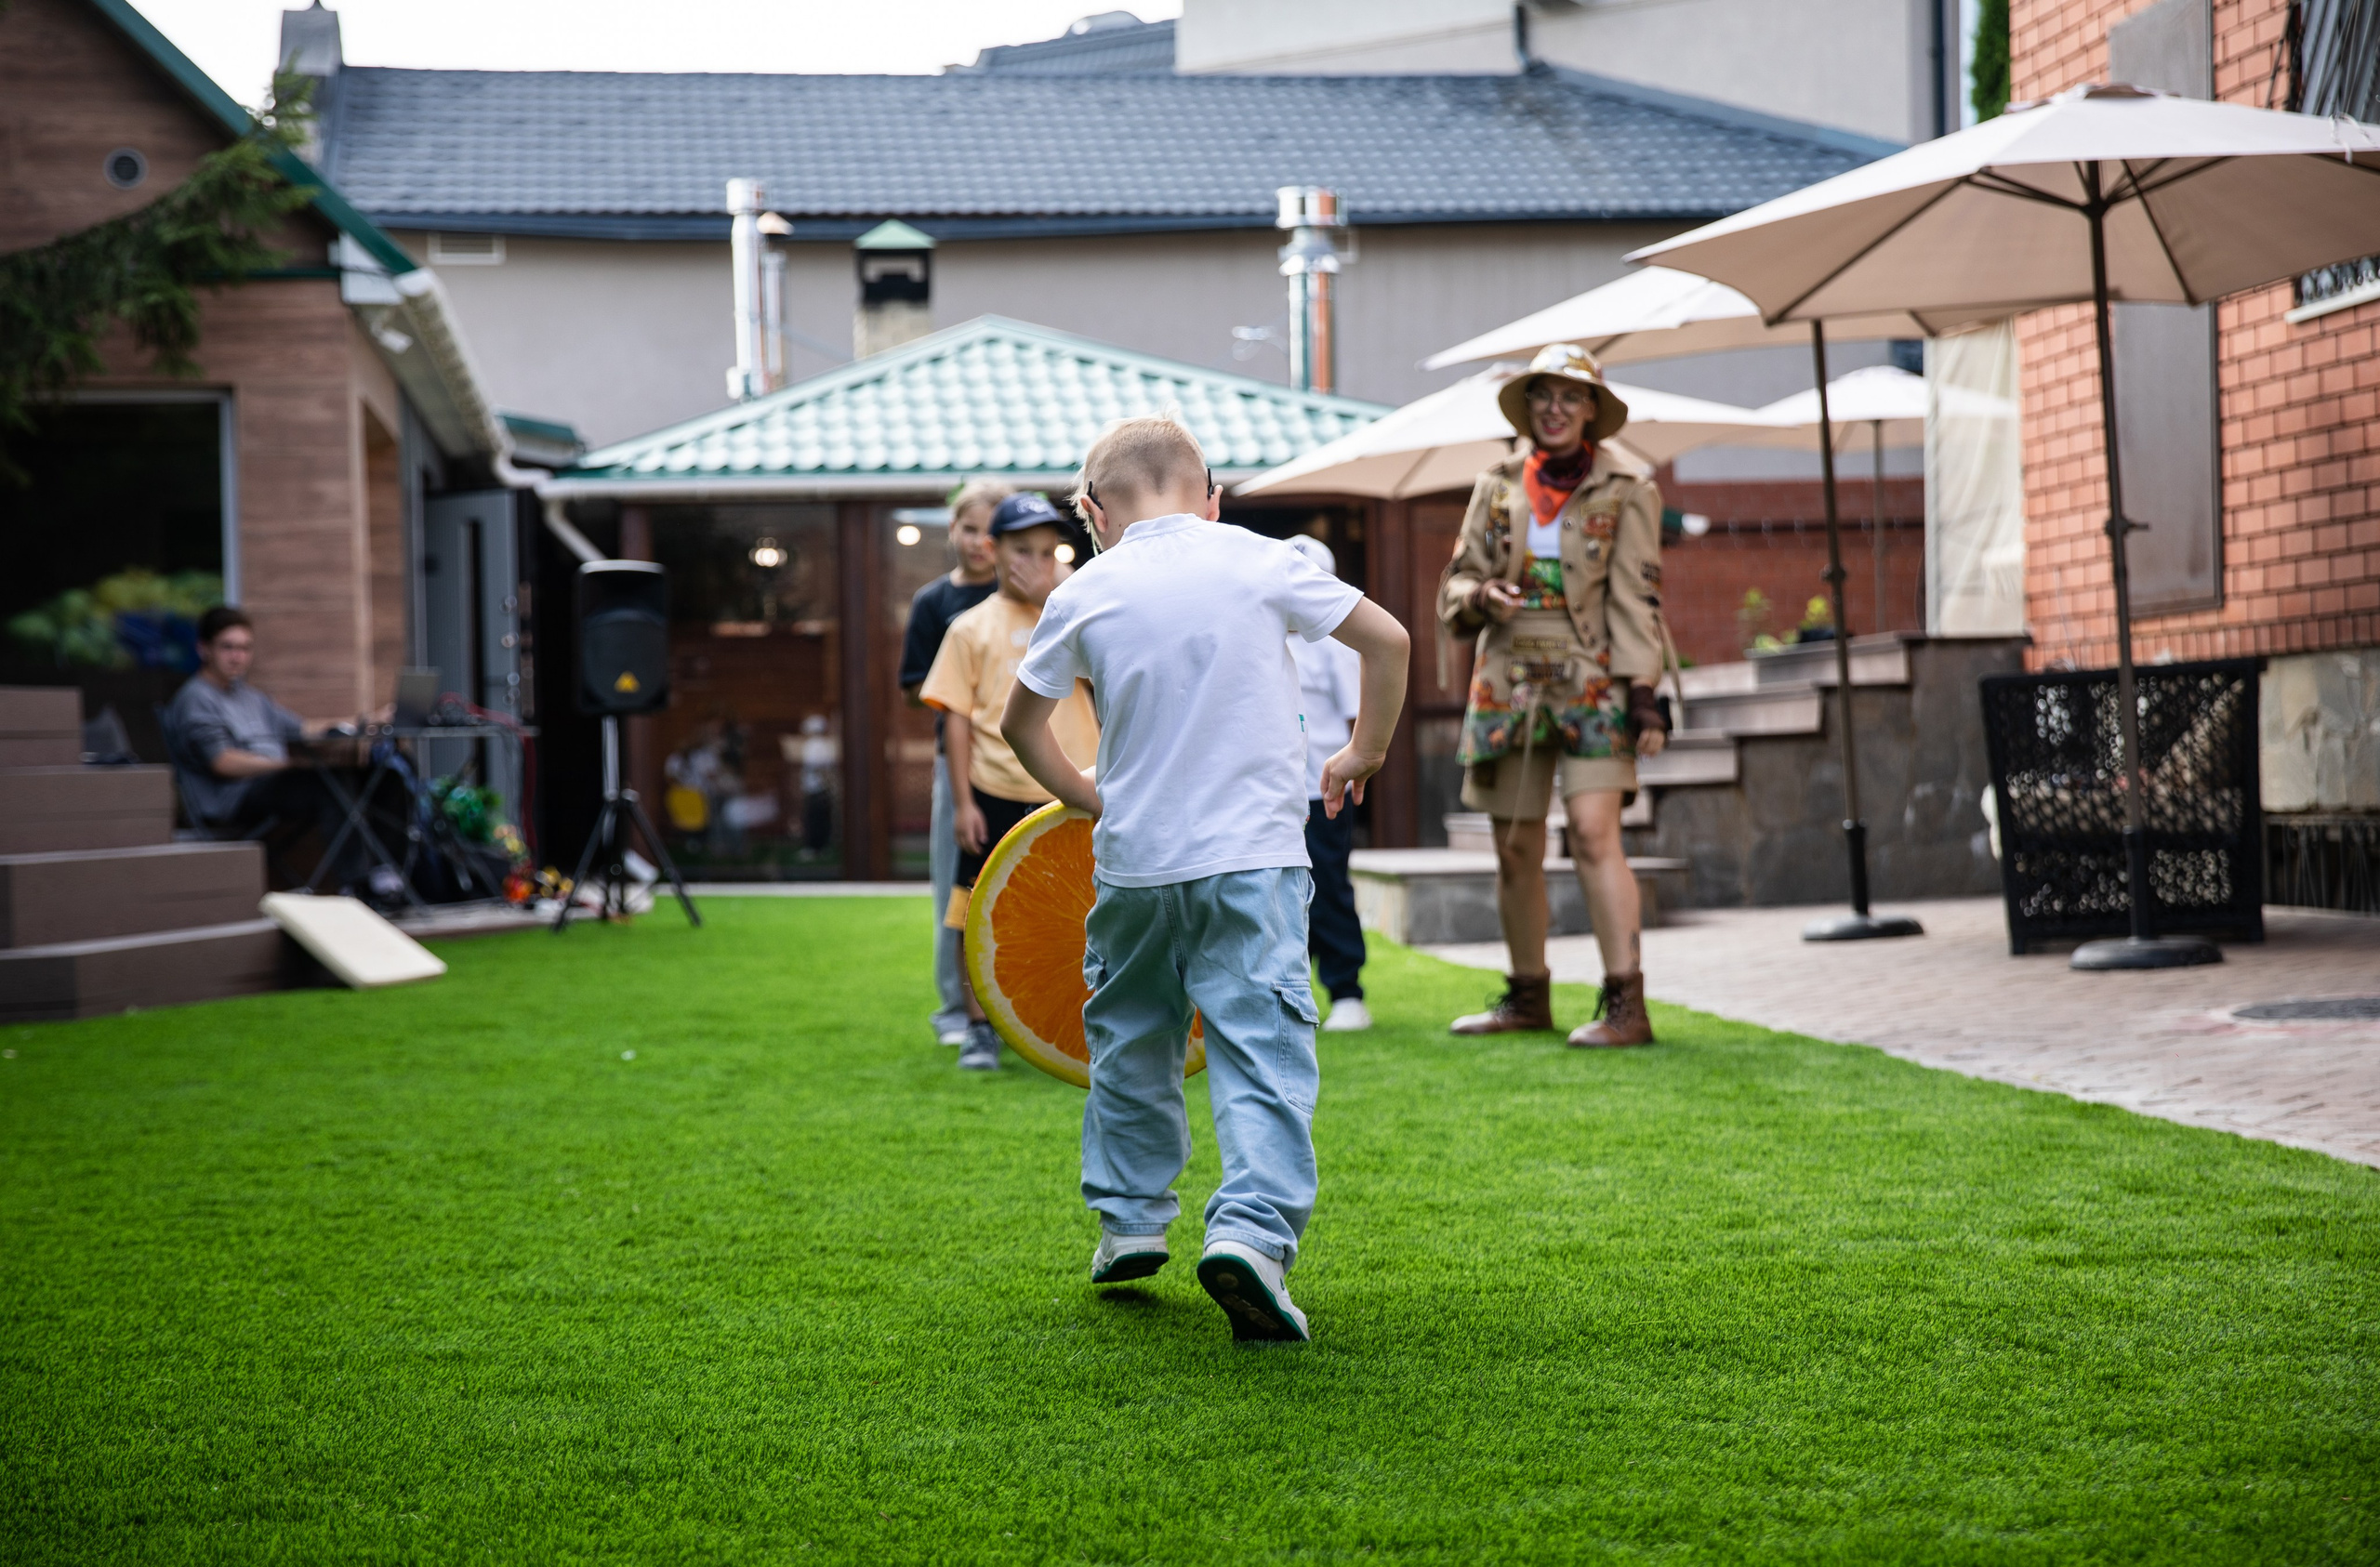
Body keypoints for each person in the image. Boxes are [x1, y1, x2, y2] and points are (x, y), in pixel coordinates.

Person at [1002, 415, 1409, 1343]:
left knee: (1130, 1037)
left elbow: (1021, 726)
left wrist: (1086, 797)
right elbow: (1386, 641)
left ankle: (1130, 1222)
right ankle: (1252, 1235)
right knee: (1261, 1047)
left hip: (1135, 867)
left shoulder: (1084, 589)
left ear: (1092, 512)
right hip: (1254, 861)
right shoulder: (1262, 561)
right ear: (1213, 500)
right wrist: (1363, 751)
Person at [1435, 343, 1670, 1048]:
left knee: (1596, 834)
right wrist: (1481, 595)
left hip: (1593, 675)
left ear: (1592, 409)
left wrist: (1644, 693)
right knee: (1514, 844)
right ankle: (1527, 996)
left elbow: (1637, 598)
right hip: (1506, 676)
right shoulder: (1495, 485)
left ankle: (1626, 1005)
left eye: (1571, 396)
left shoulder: (1628, 488)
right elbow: (1454, 584)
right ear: (1529, 407)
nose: (1555, 409)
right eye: (1543, 395)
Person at [920, 492, 1101, 1073]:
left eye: (1049, 553)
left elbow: (1107, 683)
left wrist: (1056, 601)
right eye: (1023, 551)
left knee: (1087, 906)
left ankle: (1085, 1022)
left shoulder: (1075, 617)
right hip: (995, 790)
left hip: (1075, 787)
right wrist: (963, 803)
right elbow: (955, 719)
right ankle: (978, 1027)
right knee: (971, 910)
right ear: (992, 550)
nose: (1036, 564)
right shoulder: (968, 627)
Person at [900, 480, 1006, 1047]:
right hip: (959, 765)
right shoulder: (933, 603)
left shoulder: (1031, 598)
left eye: (991, 531)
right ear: (953, 530)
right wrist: (965, 688)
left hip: (1025, 763)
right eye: (970, 529)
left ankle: (1020, 1008)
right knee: (955, 889)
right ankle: (955, 1011)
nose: (980, 542)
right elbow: (913, 688)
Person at [160, 605, 353, 882]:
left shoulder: (249, 696)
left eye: (245, 648)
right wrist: (285, 765)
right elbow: (222, 762)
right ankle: (357, 885)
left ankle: (389, 879)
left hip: (268, 786)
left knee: (372, 778)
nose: (237, 657)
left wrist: (363, 722)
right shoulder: (196, 699)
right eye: (228, 647)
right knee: (328, 785)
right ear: (204, 649)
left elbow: (302, 729)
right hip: (233, 800)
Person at [1283, 533, 1371, 1033]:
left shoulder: (1336, 644)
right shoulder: (1264, 638)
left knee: (1329, 887)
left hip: (1324, 790)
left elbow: (1358, 716)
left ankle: (1347, 992)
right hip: (1273, 790)